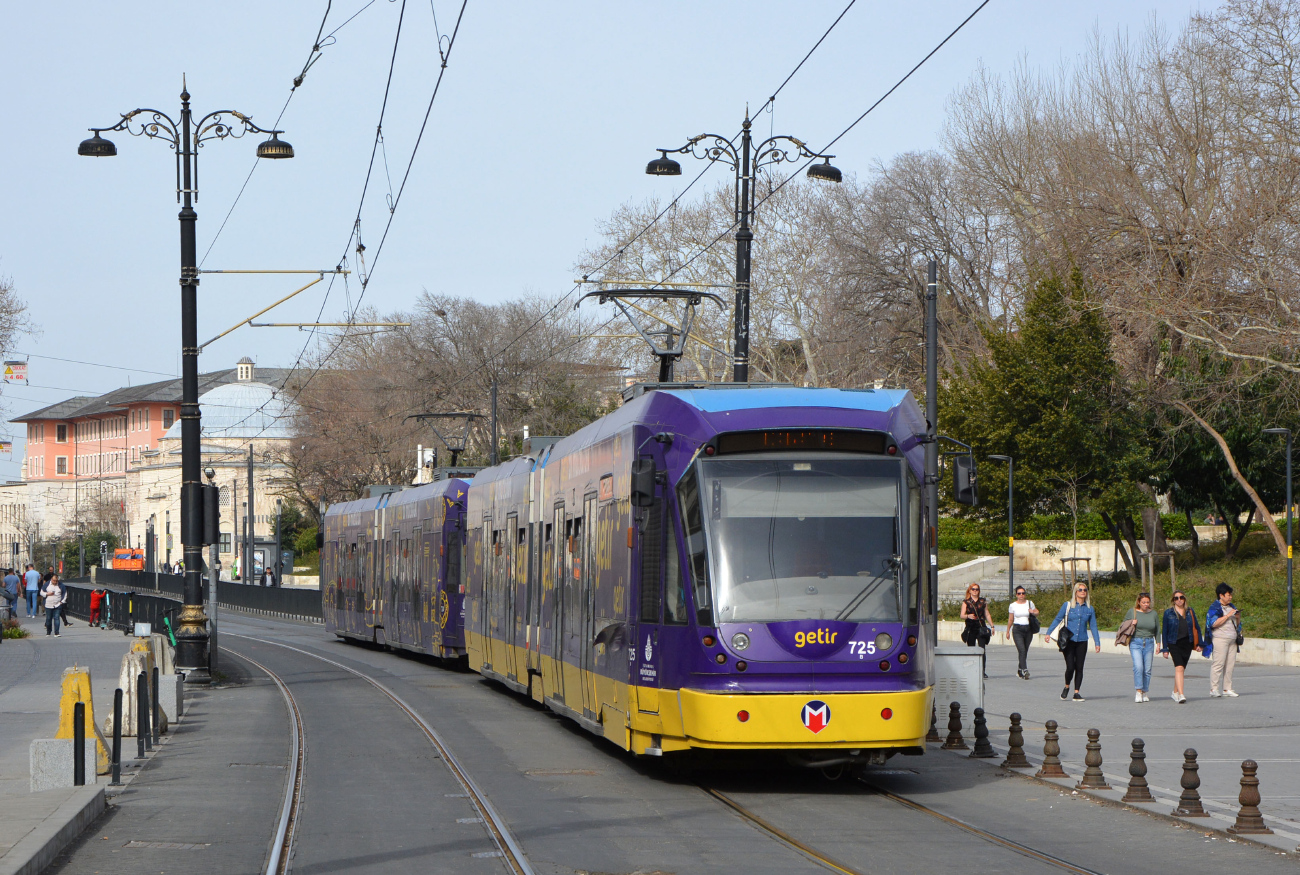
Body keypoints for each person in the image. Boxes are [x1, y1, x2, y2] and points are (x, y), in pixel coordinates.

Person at [1044, 582, 1101, 701]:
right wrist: (1048, 633)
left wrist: (1097, 643)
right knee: (1070, 667)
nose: (1083, 592)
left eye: (1085, 590)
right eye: (1080, 590)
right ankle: (1066, 686)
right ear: (1075, 592)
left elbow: (1093, 626)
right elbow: (1058, 619)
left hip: (1082, 640)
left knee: (1079, 667)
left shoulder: (1090, 608)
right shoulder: (1068, 605)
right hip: (1069, 640)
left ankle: (1076, 693)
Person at [1158, 590, 1201, 703]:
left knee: (1181, 669)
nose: (1179, 600)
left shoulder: (1190, 611)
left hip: (1187, 643)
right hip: (1174, 643)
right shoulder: (1168, 613)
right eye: (1176, 598)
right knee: (1179, 667)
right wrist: (1165, 649)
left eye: (1181, 597)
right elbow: (1165, 631)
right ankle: (1181, 694)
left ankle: (1175, 692)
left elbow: (1196, 627)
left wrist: (1199, 643)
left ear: (1184, 599)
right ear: (1173, 600)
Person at [1122, 592, 1161, 703]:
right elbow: (1123, 625)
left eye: (1147, 602)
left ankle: (1144, 691)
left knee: (1147, 669)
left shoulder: (1153, 614)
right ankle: (1138, 691)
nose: (1146, 604)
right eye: (1143, 602)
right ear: (1139, 602)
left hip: (1149, 642)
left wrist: (1158, 644)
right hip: (1136, 642)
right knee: (1138, 667)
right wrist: (1131, 622)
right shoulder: (1132, 612)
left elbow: (1157, 629)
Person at [1204, 582, 1241, 698]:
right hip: (1220, 639)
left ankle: (1227, 688)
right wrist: (1228, 615)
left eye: (1231, 595)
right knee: (1218, 664)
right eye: (1228, 595)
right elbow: (1213, 623)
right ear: (1221, 595)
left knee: (1230, 665)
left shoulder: (1232, 607)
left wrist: (1238, 618)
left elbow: (1237, 625)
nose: (1230, 597)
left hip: (1232, 639)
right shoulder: (1215, 607)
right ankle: (1214, 689)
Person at [959, 583, 994, 678]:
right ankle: (971, 670)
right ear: (970, 590)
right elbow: (962, 615)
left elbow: (987, 614)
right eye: (973, 589)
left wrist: (992, 626)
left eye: (977, 589)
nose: (975, 591)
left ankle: (982, 671)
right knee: (971, 649)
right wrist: (968, 616)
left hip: (981, 627)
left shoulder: (982, 601)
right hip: (970, 628)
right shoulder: (966, 602)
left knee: (982, 649)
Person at [1005, 586, 1039, 679]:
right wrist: (1008, 631)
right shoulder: (1013, 605)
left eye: (1023, 593)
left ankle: (1020, 670)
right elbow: (1010, 619)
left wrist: (1033, 612)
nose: (1021, 595)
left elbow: (1037, 612)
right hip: (1017, 629)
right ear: (1016, 595)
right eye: (1019, 593)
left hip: (1028, 629)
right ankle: (1025, 670)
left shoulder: (1029, 603)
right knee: (1022, 650)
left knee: (1025, 650)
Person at [41, 572, 64, 637]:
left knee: (57, 618)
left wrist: (62, 602)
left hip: (57, 604)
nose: (55, 582)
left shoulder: (61, 585)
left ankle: (57, 632)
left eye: (56, 581)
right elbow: (41, 592)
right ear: (51, 579)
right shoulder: (47, 584)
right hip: (48, 604)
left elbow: (64, 593)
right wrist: (47, 594)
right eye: (54, 580)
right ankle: (48, 632)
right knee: (48, 619)